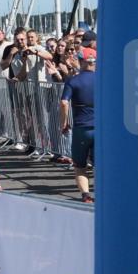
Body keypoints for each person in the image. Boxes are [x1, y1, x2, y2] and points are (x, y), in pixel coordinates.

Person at [60, 50, 96, 203]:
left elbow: (63, 102)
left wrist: (64, 122)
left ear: (80, 61)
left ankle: (86, 195)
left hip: (81, 128)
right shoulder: (104, 79)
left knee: (80, 166)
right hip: (101, 128)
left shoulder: (73, 81)